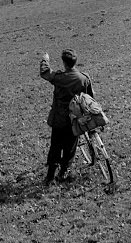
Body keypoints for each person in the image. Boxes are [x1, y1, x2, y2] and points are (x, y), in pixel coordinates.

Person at [39, 49, 93, 184]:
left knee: (55, 147)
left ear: (64, 63)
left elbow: (45, 72)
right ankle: (63, 172)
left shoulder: (59, 77)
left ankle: (50, 176)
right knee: (70, 147)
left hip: (59, 119)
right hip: (75, 120)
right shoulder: (84, 78)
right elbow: (90, 98)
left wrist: (45, 59)